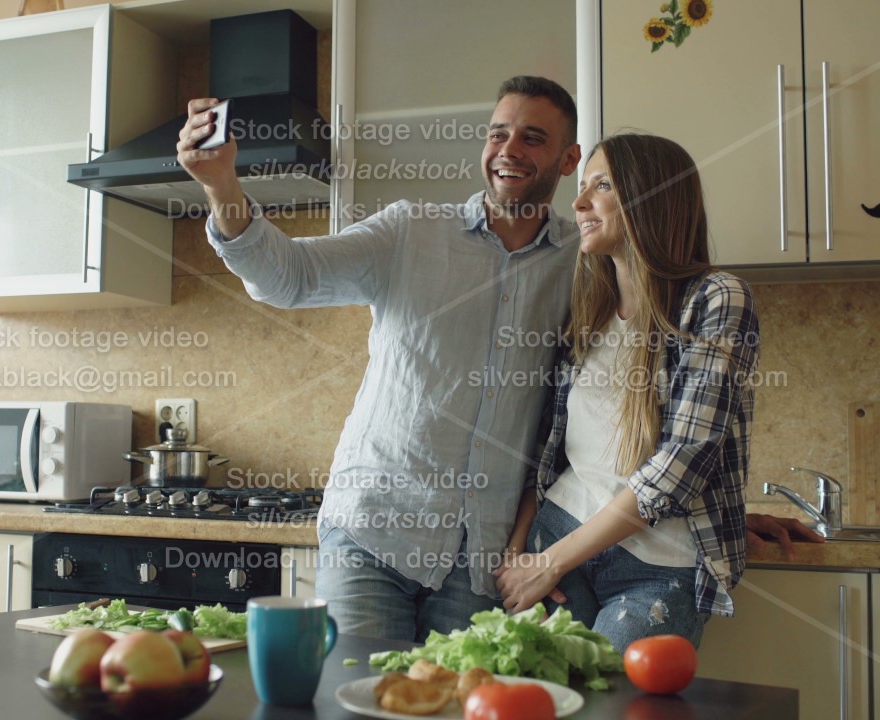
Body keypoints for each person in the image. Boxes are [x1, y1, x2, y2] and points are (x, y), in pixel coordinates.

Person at [176, 78, 819, 643]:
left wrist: (716, 505)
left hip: (483, 559)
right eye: (497, 133)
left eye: (533, 137)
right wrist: (221, 185)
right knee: (358, 699)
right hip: (375, 532)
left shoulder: (587, 264)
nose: (509, 150)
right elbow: (287, 278)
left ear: (567, 159)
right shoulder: (408, 232)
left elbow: (613, 434)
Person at [494, 133, 765, 651]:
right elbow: (547, 451)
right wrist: (519, 551)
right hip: (555, 533)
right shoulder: (588, 307)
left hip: (658, 569)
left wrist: (549, 562)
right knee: (542, 700)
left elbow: (687, 458)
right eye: (582, 186)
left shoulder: (716, 298)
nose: (578, 203)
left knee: (613, 705)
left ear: (651, 197)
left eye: (602, 186)